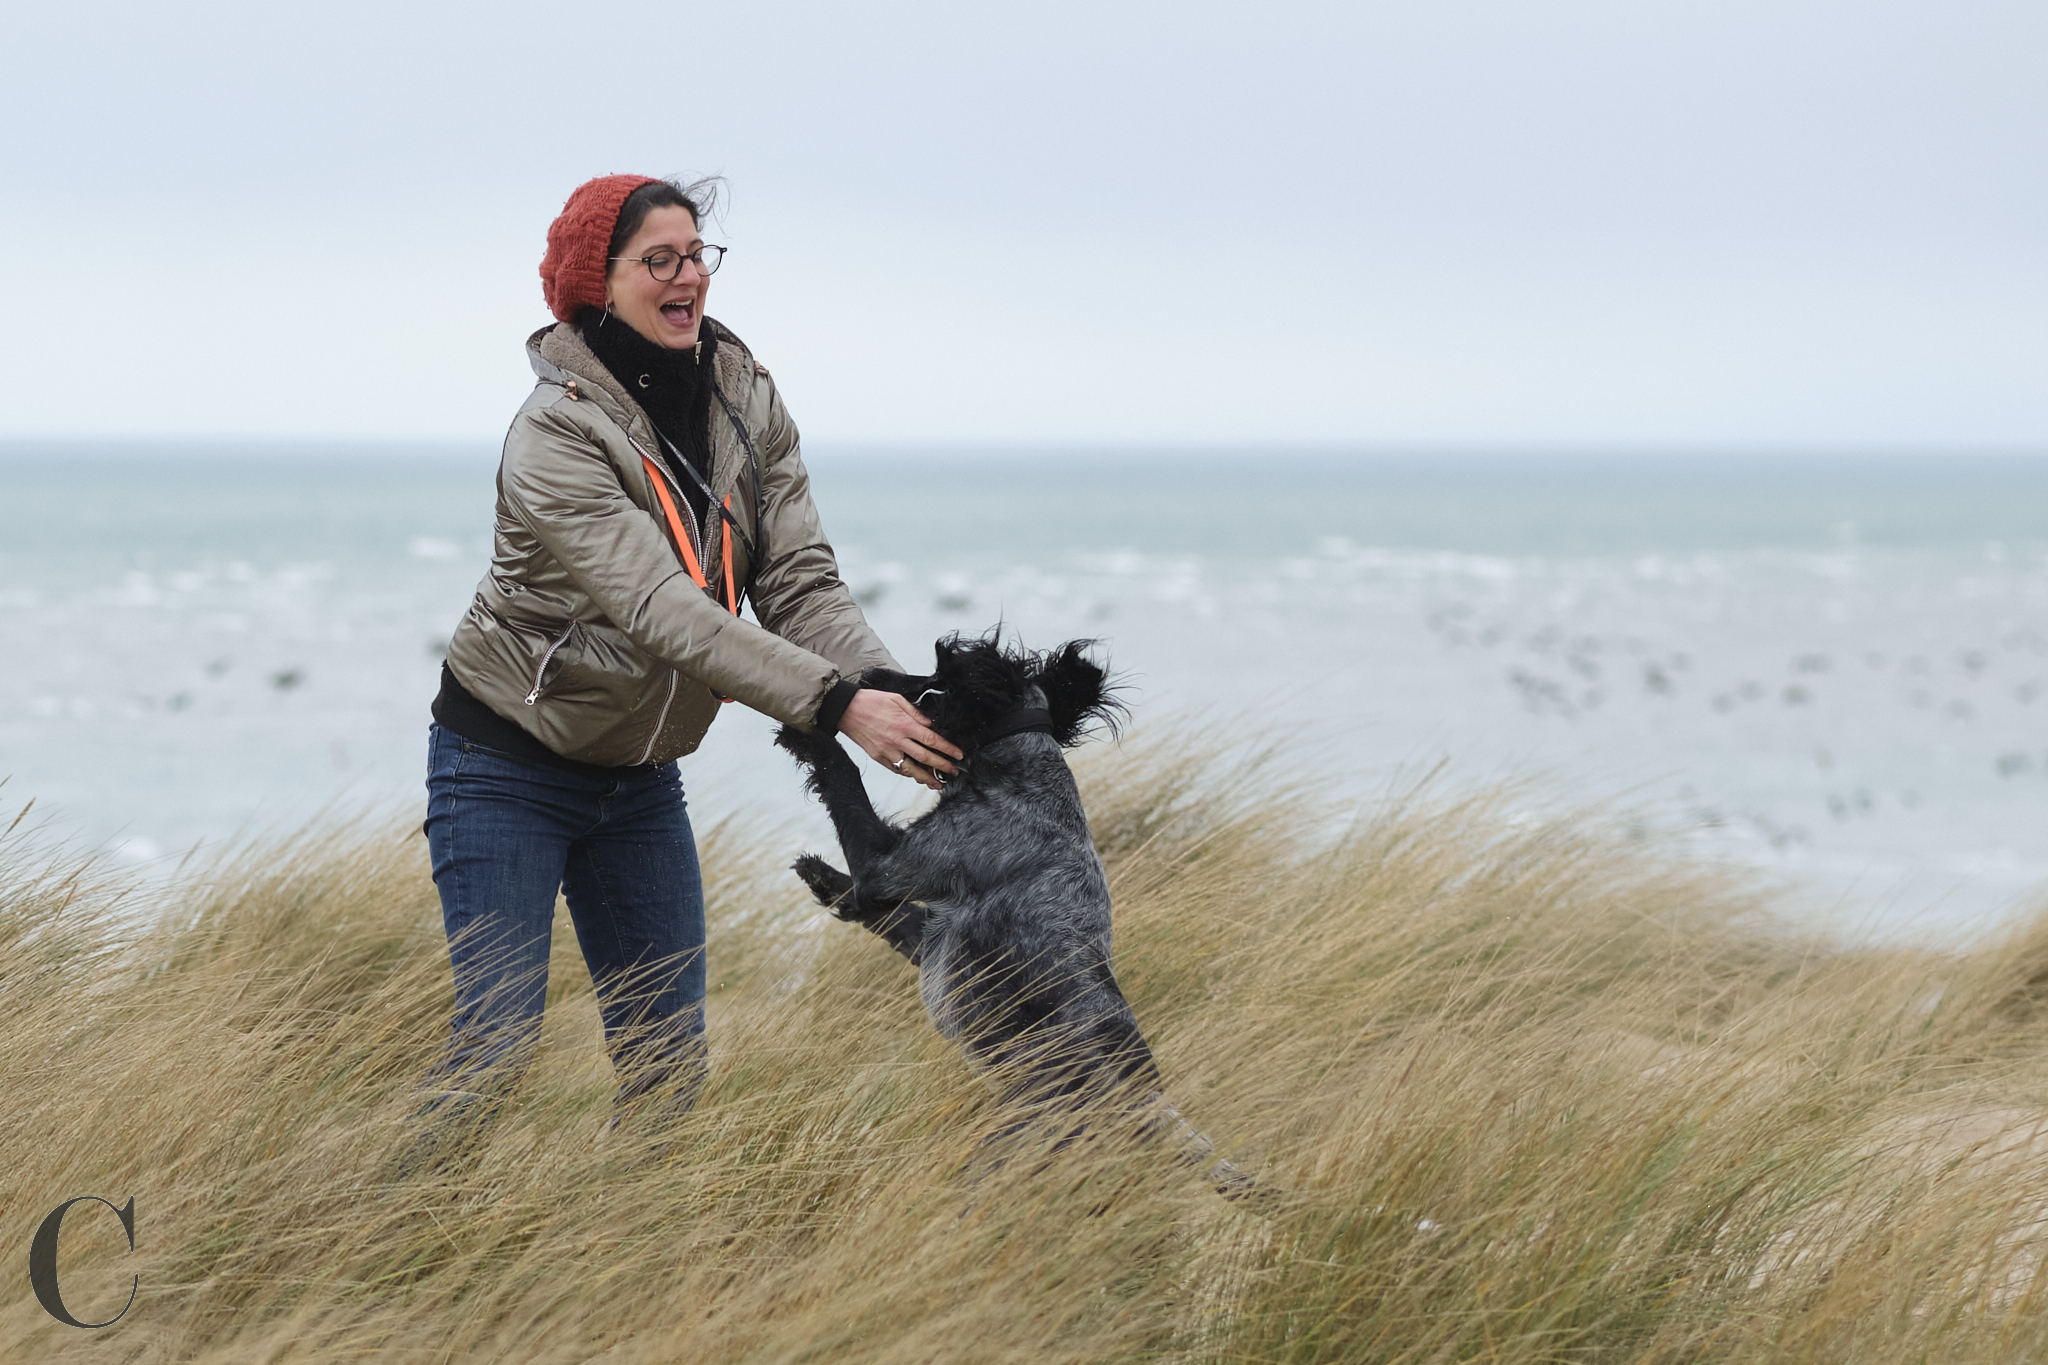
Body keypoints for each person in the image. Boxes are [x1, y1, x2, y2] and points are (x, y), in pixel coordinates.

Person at [408, 172, 961, 1159]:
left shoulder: (745, 399)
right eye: (656, 260)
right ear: (597, 285)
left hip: (638, 784)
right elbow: (661, 610)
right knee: (495, 1048)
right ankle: (362, 1231)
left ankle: (626, 1279)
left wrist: (891, 694)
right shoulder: (556, 433)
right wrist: (835, 709)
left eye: (695, 254)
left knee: (667, 1066)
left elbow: (795, 579)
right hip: (506, 770)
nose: (686, 277)